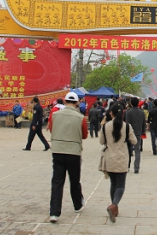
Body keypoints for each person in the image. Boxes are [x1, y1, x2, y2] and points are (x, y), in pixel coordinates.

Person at [48, 92, 88, 223]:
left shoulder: (54, 115)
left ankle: (54, 212)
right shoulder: (80, 117)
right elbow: (84, 135)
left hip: (58, 150)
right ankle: (77, 205)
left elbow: (52, 129)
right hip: (73, 152)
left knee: (57, 181)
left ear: (65, 101)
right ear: (77, 103)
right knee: (74, 180)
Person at [100, 103, 137, 223]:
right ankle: (114, 205)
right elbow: (134, 141)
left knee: (113, 184)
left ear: (111, 113)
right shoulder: (127, 126)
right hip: (122, 158)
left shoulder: (105, 126)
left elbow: (101, 141)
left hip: (110, 158)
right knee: (121, 185)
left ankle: (114, 207)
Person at [125, 97, 146, 173]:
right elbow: (144, 123)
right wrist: (143, 131)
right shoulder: (141, 112)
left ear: (130, 103)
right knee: (137, 150)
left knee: (128, 150)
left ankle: (127, 166)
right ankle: (136, 167)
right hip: (138, 133)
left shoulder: (128, 112)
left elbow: (127, 123)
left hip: (129, 133)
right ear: (138, 103)